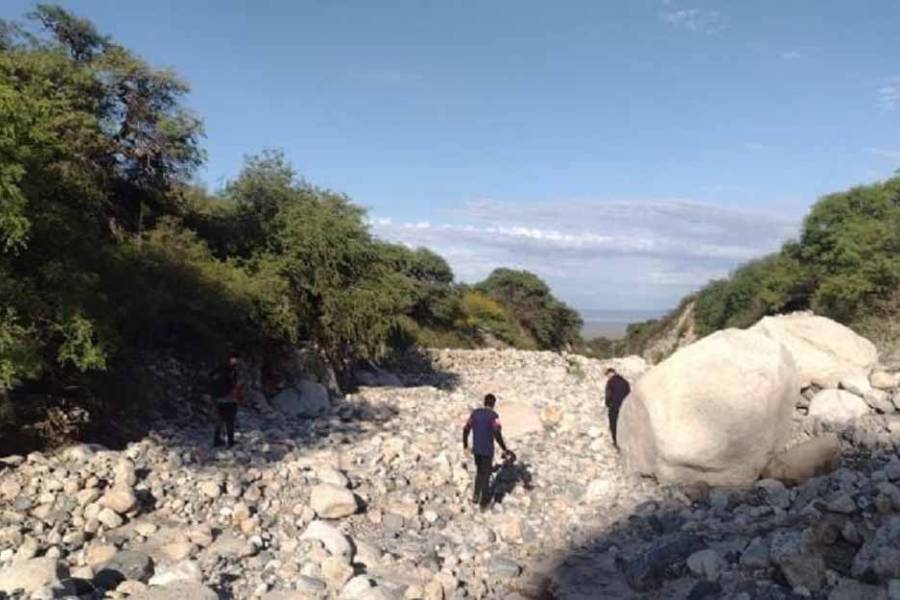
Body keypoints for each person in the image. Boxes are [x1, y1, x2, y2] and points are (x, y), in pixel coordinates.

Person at [463, 393, 512, 509]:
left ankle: (475, 495)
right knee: (486, 474)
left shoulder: (475, 414)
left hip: (476, 449)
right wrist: (504, 448)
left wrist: (465, 445)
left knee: (479, 472)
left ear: (484, 402)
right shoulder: (493, 416)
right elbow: (497, 433)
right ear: (493, 404)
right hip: (487, 449)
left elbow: (465, 429)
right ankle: (484, 502)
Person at [212, 352, 245, 448]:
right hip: (230, 398)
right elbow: (234, 385)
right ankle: (230, 442)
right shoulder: (232, 371)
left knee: (219, 420)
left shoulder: (219, 368)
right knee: (230, 420)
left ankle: (216, 440)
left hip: (218, 398)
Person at [604, 367, 631, 449]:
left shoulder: (610, 382)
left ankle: (616, 443)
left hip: (614, 407)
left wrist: (608, 404)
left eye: (607, 375)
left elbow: (608, 395)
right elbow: (629, 394)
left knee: (614, 425)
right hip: (624, 406)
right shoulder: (625, 382)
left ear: (610, 373)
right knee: (624, 424)